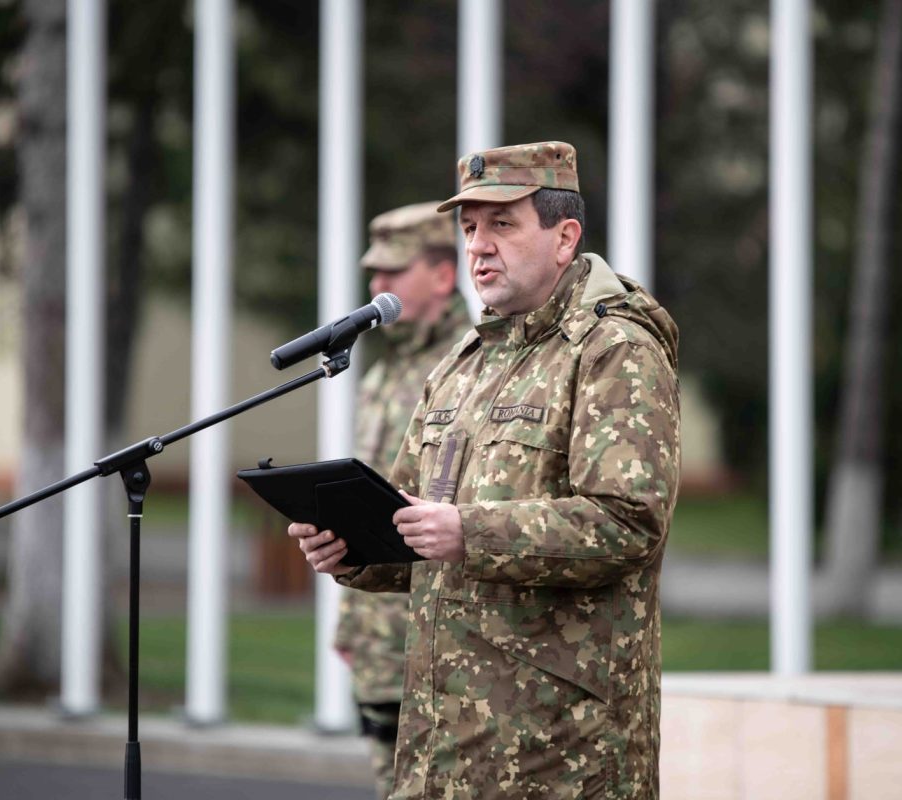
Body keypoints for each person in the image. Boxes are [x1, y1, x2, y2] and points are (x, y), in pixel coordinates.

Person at [291, 142, 680, 799]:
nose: (477, 246)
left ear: (565, 238)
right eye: (468, 228)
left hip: (559, 754)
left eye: (502, 225)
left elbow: (628, 522)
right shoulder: (464, 362)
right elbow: (416, 530)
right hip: (445, 747)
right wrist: (352, 549)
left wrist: (470, 532)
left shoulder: (616, 351)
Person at [333, 201, 471, 798]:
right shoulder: (381, 374)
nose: (376, 285)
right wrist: (350, 621)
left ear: (442, 275)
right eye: (375, 273)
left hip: (436, 634)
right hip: (377, 634)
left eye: (394, 272)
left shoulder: (473, 362)